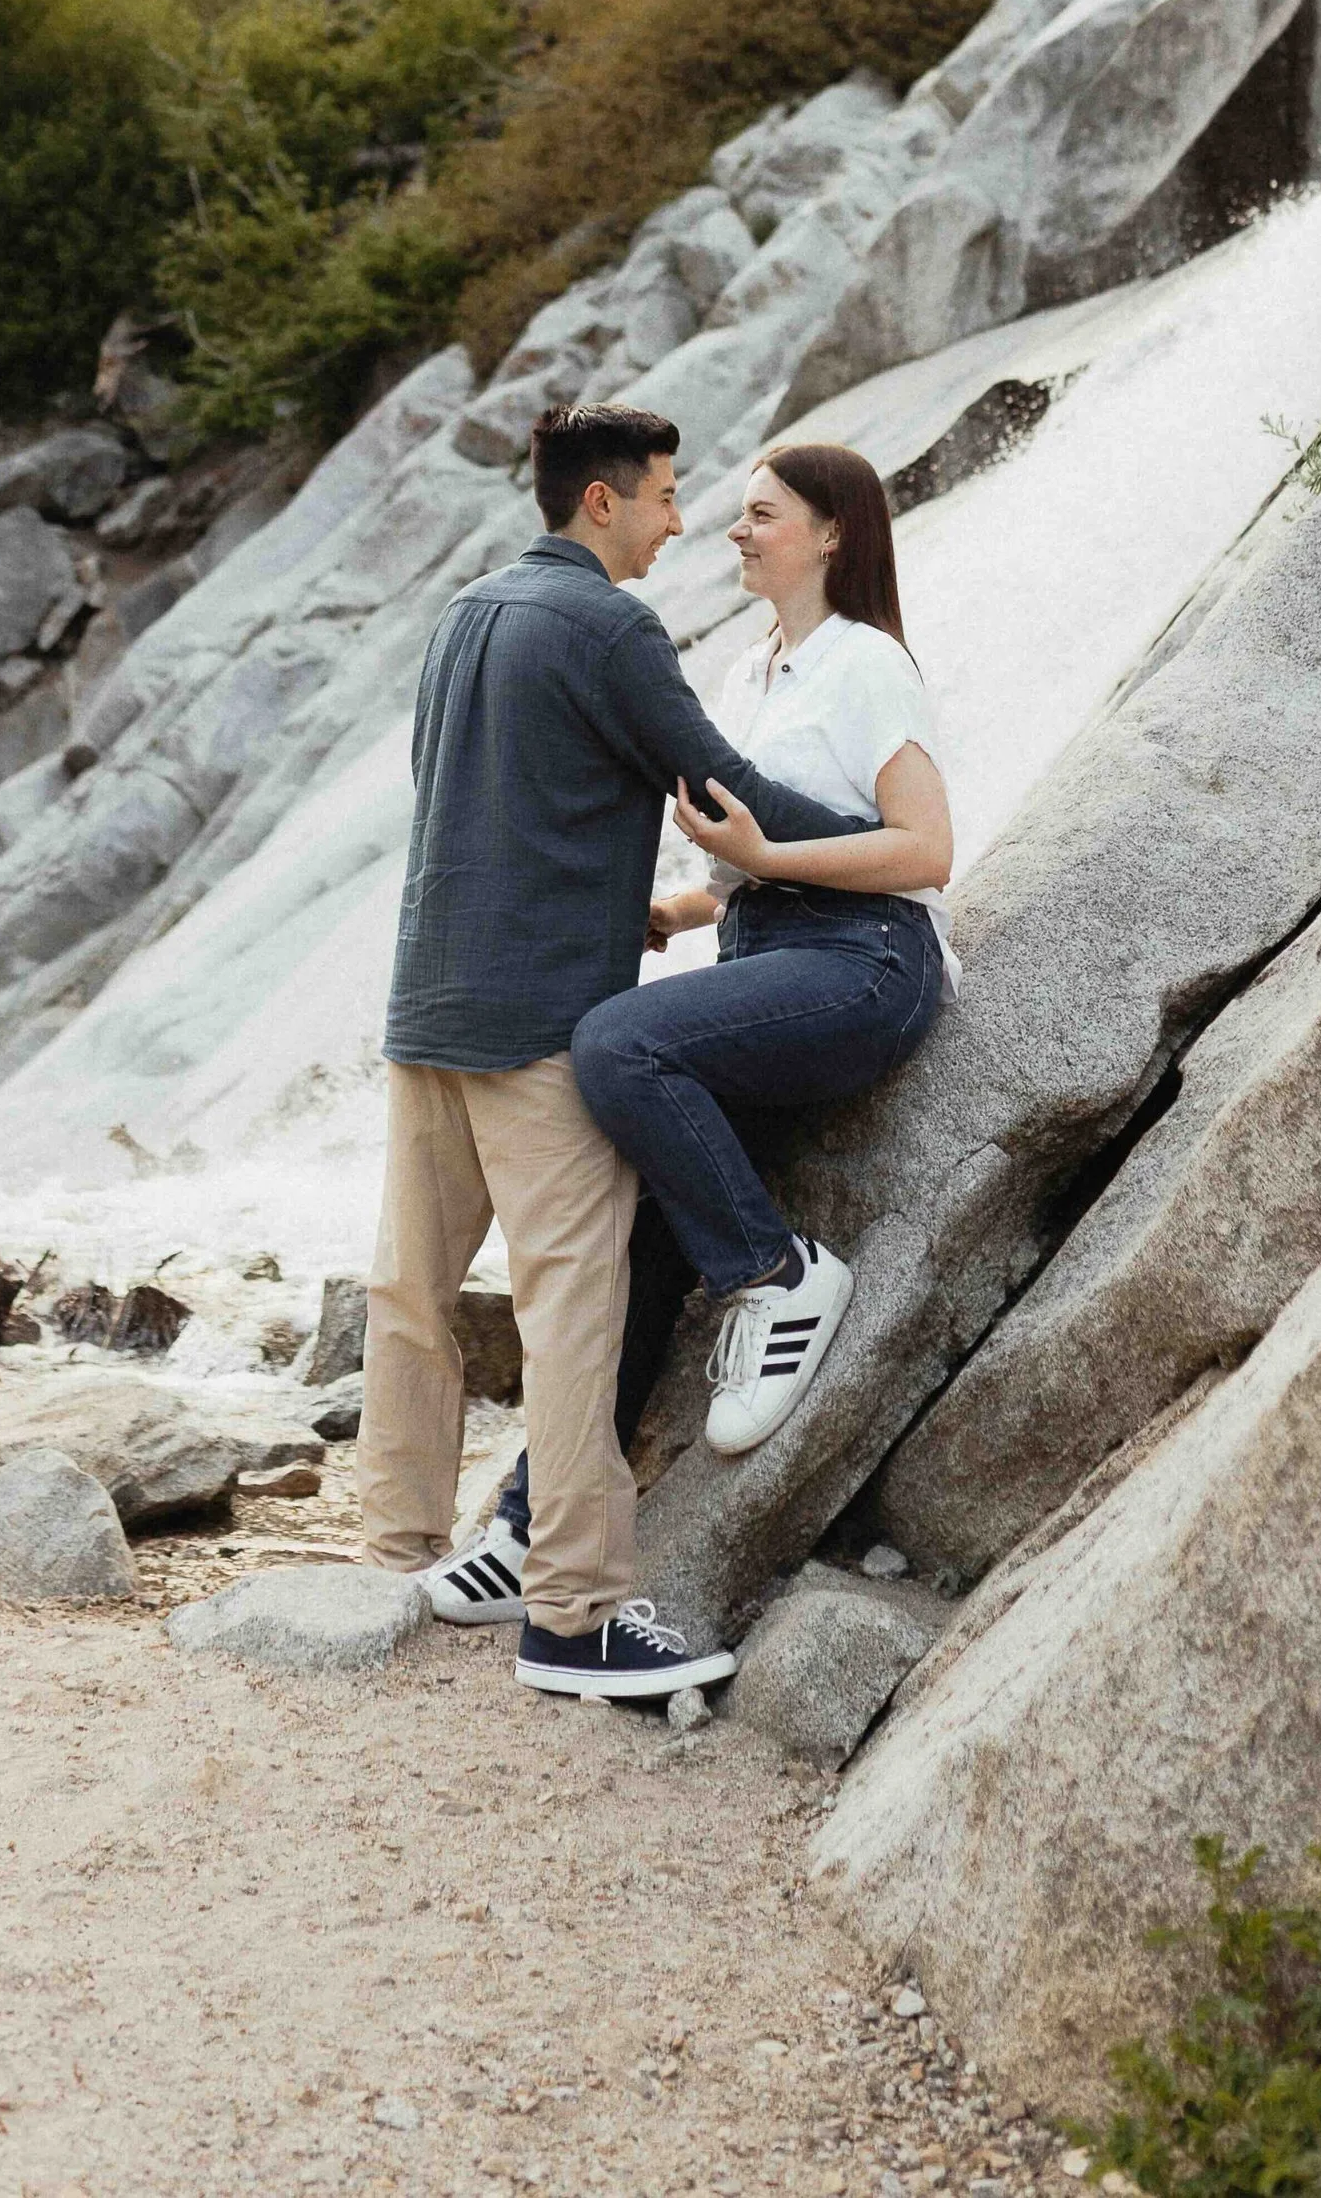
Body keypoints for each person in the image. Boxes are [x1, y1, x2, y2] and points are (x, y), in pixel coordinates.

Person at [358, 401, 872, 1702]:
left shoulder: (466, 614)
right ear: (602, 501)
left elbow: (486, 795)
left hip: (430, 1009)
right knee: (574, 1318)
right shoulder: (607, 624)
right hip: (537, 1029)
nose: (679, 518)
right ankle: (575, 1614)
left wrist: (632, 904)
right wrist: (882, 853)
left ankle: (392, 1560)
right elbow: (715, 785)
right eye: (662, 494)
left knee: (410, 1297)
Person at [424, 442, 948, 1623]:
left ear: (830, 536)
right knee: (638, 1246)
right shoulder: (764, 667)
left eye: (762, 516)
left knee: (618, 1045)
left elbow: (923, 852)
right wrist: (697, 902)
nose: (734, 531)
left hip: (863, 963)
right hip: (772, 950)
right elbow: (762, 856)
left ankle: (778, 1273)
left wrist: (759, 863)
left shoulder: (866, 664)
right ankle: (528, 1530)